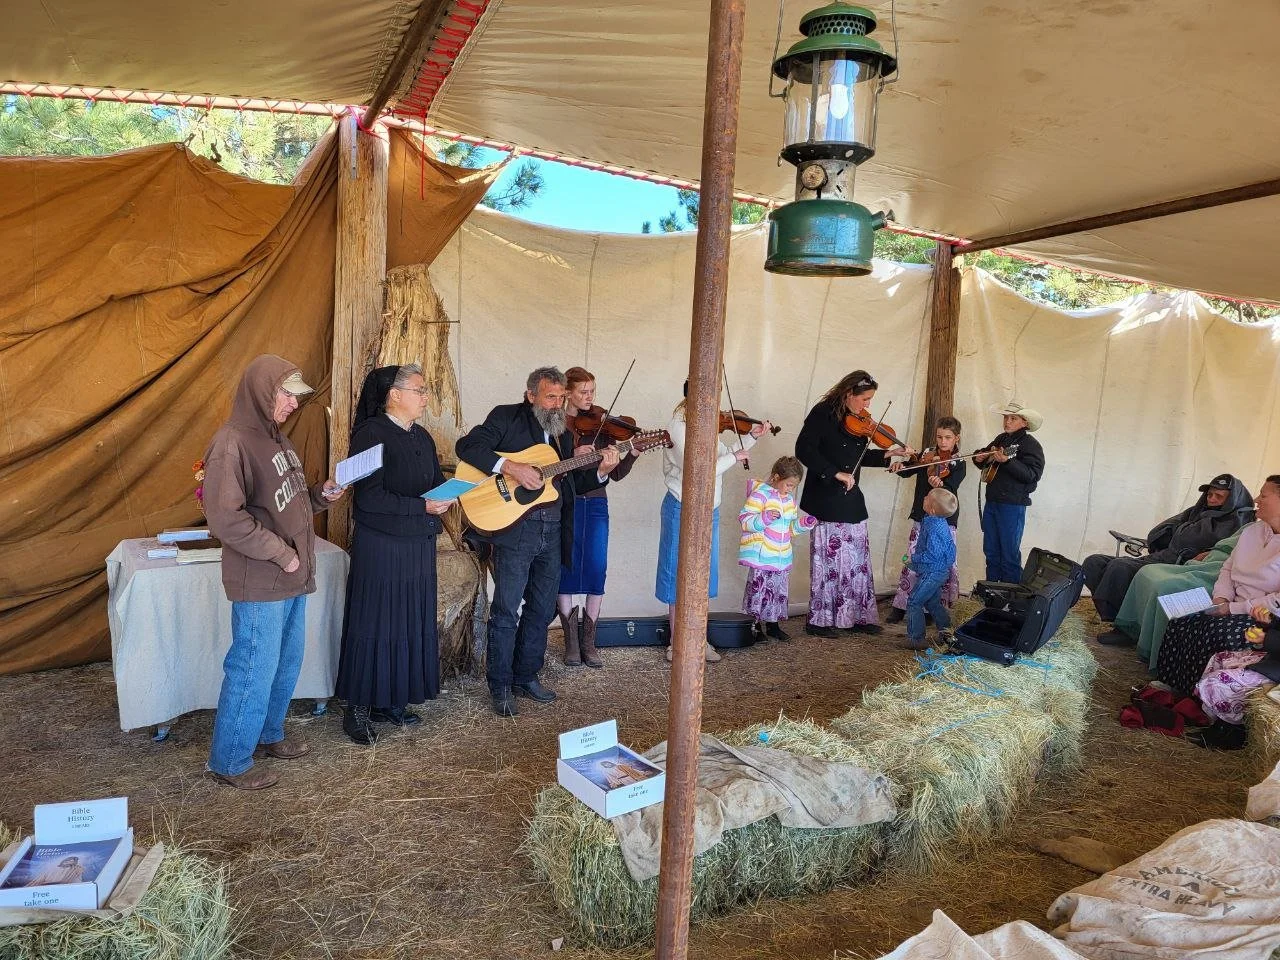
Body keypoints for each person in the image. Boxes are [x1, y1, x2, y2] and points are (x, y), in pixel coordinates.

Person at [202, 355, 344, 790]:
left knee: (284, 662)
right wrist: (281, 554)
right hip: (263, 577)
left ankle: (268, 734)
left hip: (291, 576)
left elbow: (285, 503)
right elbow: (225, 519)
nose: (293, 404)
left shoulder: (278, 439)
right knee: (252, 667)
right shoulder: (231, 443)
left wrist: (320, 496)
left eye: (296, 397)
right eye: (286, 395)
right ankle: (230, 761)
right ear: (262, 393)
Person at [457, 367, 619, 717]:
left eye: (561, 397)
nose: (558, 404)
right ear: (531, 395)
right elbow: (467, 447)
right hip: (517, 530)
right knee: (506, 610)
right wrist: (511, 468)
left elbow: (572, 483)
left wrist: (602, 470)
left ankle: (526, 676)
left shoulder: (562, 434)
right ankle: (500, 685)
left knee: (544, 609)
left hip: (553, 530)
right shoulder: (506, 417)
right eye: (550, 397)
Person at [335, 364, 454, 746]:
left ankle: (389, 700)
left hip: (417, 545)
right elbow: (369, 498)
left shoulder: (422, 436)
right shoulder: (371, 434)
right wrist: (422, 507)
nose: (425, 397)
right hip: (382, 548)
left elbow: (433, 483)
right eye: (420, 390)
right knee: (374, 623)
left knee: (405, 623)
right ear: (395, 395)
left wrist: (449, 494)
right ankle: (357, 708)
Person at [657, 380, 771, 663]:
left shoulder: (707, 424)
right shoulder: (678, 427)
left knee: (704, 576)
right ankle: (676, 642)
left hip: (710, 509)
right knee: (677, 575)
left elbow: (722, 454)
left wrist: (751, 437)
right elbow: (697, 470)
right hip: (682, 506)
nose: (716, 404)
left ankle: (699, 639)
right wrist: (734, 457)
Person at [795, 370, 914, 638]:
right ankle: (820, 621)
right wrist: (833, 473)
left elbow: (859, 457)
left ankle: (858, 616)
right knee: (828, 562)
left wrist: (890, 453)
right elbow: (803, 449)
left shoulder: (860, 420)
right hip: (825, 496)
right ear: (849, 394)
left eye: (870, 400)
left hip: (850, 497)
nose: (867, 405)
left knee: (857, 560)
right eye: (865, 399)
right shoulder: (822, 413)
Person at [1086, 474, 1254, 643]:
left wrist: (1208, 552)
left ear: (1232, 499)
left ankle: (1126, 629)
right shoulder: (1197, 511)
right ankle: (1116, 616)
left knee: (1119, 567)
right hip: (1162, 555)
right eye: (1209, 494)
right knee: (1094, 562)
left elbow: (1228, 549)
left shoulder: (1238, 521)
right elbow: (1165, 528)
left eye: (1219, 496)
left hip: (1181, 565)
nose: (1211, 499)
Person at [1155, 475, 1280, 694]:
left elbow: (1277, 602)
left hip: (1266, 621)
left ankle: (1198, 695)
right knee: (1182, 621)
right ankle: (1173, 685)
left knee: (1216, 632)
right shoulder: (1253, 531)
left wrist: (1232, 608)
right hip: (1231, 605)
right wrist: (1221, 598)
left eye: (1264, 495)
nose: (1256, 499)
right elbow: (1228, 568)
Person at [556, 366, 638, 669]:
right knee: (565, 566)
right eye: (583, 392)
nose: (590, 398)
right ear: (568, 392)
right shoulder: (554, 423)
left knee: (596, 567)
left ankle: (589, 642)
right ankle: (571, 642)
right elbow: (549, 466)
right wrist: (572, 456)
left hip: (595, 502)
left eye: (592, 391)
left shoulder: (602, 426)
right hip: (564, 502)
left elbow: (615, 474)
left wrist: (631, 454)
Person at [1111, 529, 1246, 670]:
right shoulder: (1250, 529)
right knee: (1146, 571)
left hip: (1217, 573)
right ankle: (1131, 633)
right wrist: (1210, 552)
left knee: (1166, 588)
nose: (1257, 515)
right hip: (1211, 563)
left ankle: (1161, 659)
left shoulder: (1240, 520)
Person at [887, 416, 966, 623]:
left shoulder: (959, 462)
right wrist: (900, 466)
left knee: (937, 562)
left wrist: (941, 484)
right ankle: (901, 605)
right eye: (939, 437)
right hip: (922, 515)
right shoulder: (927, 454)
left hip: (944, 520)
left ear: (956, 438)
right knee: (914, 558)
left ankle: (931, 608)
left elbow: (951, 489)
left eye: (947, 437)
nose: (943, 442)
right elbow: (909, 470)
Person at [738, 456, 817, 641]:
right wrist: (764, 518)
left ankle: (773, 625)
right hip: (762, 555)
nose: (790, 489)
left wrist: (803, 524)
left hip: (781, 556)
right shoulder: (760, 495)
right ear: (776, 477)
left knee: (776, 592)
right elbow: (745, 521)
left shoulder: (789, 501)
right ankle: (755, 626)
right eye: (788, 485)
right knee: (759, 590)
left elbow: (790, 530)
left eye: (794, 487)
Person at [972, 401, 1045, 583]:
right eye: (1005, 417)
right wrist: (979, 456)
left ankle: (1010, 595)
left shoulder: (1031, 445)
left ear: (1024, 422)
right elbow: (985, 458)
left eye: (1013, 418)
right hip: (993, 501)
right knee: (991, 551)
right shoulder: (1001, 439)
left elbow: (1032, 475)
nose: (1007, 421)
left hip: (1012, 505)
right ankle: (991, 591)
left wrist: (1008, 461)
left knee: (1009, 554)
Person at [1189, 602, 1280, 749]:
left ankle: (1234, 733)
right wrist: (1270, 622)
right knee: (1220, 659)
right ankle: (1222, 722)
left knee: (1217, 682)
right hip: (1274, 660)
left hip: (1276, 673)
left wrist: (1268, 638)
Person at [902, 488, 960, 651]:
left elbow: (933, 554)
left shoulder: (934, 526)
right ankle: (947, 633)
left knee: (914, 602)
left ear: (933, 509)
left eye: (927, 497)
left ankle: (916, 639)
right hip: (937, 571)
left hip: (932, 572)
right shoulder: (935, 521)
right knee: (932, 603)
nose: (924, 497)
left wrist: (914, 558)